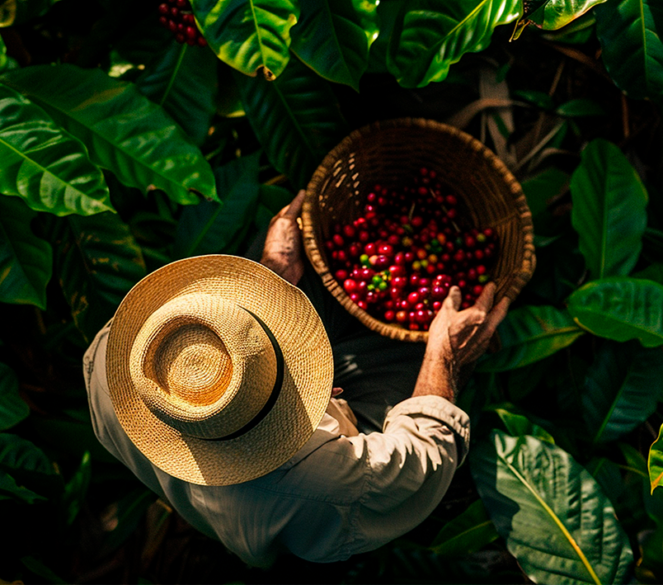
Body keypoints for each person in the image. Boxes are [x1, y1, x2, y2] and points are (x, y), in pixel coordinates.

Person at [83, 190, 510, 568]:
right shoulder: (319, 482)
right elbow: (419, 456)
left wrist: (271, 269)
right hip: (290, 506)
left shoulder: (116, 356)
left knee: (306, 271)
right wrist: (442, 357)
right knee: (415, 353)